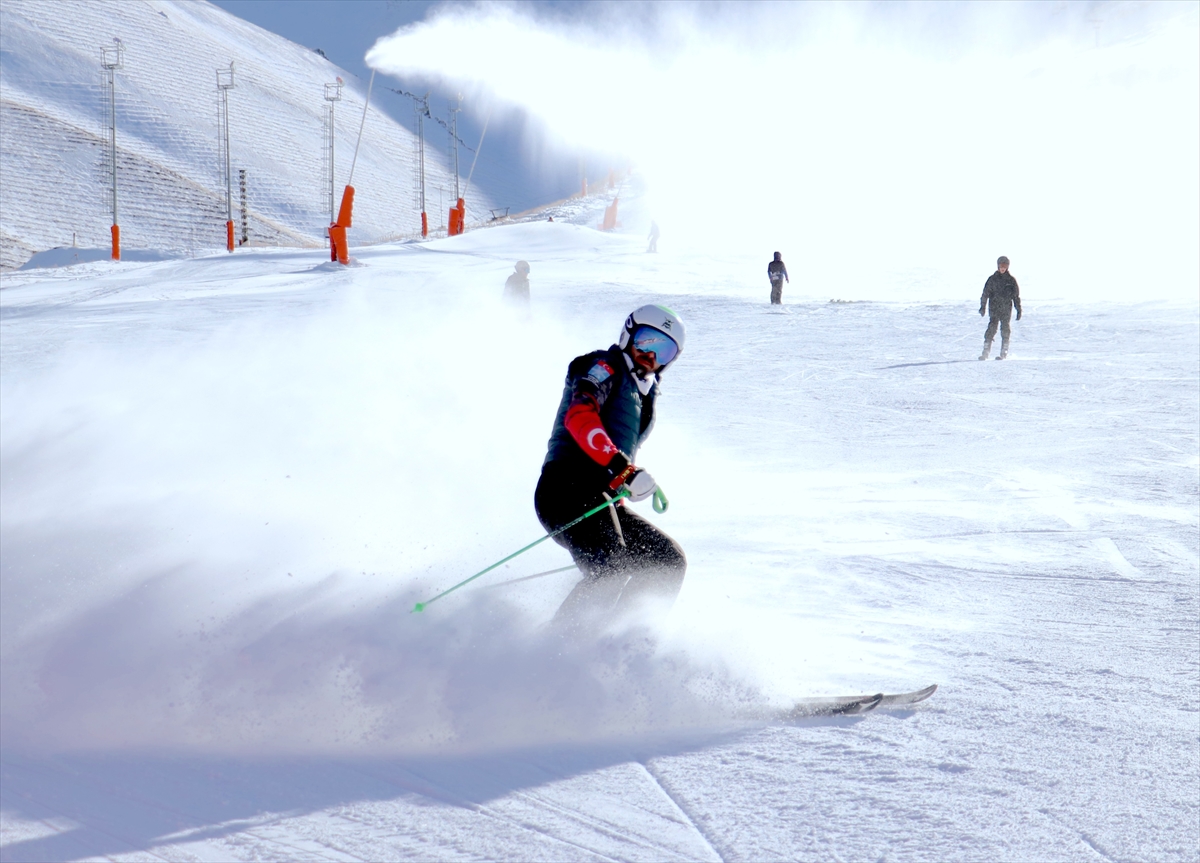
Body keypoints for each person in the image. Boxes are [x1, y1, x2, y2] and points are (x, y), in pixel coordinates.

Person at [535, 304, 687, 625]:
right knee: (610, 567)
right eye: (646, 341)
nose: (651, 355)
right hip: (565, 489)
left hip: (601, 499)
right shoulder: (604, 366)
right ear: (628, 334)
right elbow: (579, 416)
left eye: (665, 350)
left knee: (666, 562)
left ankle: (618, 643)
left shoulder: (643, 395)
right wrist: (623, 469)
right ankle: (557, 652)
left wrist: (622, 480)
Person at [979, 256, 1022, 360]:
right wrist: (983, 306)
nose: (1002, 268)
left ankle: (1004, 352)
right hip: (994, 308)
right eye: (1001, 266)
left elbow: (1015, 296)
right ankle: (985, 351)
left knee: (1005, 328)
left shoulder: (1011, 280)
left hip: (1006, 309)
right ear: (998, 266)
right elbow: (985, 294)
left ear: (1007, 267)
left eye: (1005, 266)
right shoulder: (992, 279)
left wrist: (1018, 309)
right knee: (992, 328)